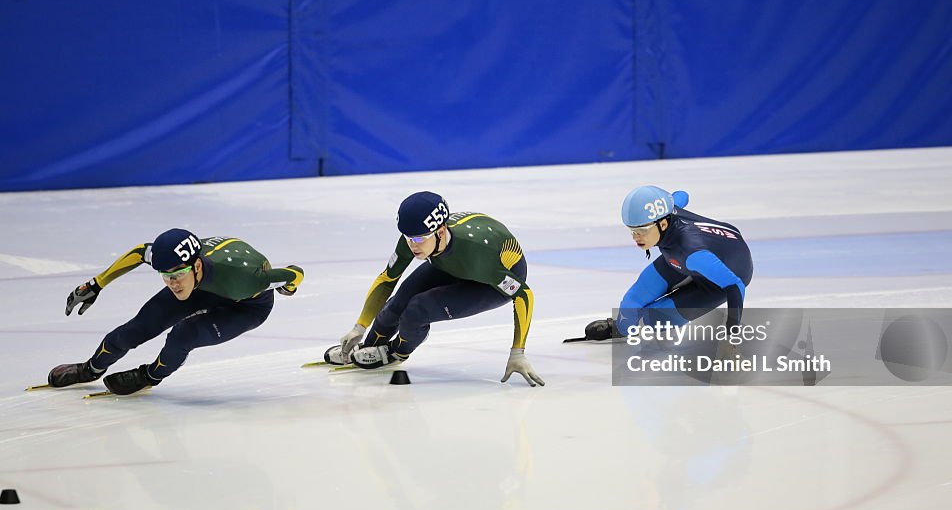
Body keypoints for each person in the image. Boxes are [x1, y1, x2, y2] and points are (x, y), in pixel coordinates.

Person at [325, 191, 544, 387]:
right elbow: (387, 279)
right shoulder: (417, 238)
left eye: (419, 238)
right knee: (398, 302)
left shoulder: (476, 256)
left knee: (417, 310)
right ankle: (370, 346)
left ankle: (396, 353)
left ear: (440, 231)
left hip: (490, 280)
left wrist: (518, 352)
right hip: (453, 262)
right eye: (409, 238)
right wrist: (359, 327)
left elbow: (524, 294)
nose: (413, 245)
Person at [49, 228, 304, 395]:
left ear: (196, 266)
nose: (173, 283)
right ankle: (91, 368)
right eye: (166, 276)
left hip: (245, 306)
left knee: (183, 335)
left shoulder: (244, 279)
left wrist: (289, 288)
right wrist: (96, 284)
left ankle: (150, 376)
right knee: (138, 328)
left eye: (178, 275)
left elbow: (295, 273)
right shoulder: (173, 262)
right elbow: (140, 252)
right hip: (204, 287)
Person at [583, 185, 753, 342]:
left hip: (721, 277)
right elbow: (681, 195)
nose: (636, 237)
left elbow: (735, 285)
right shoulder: (667, 211)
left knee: (654, 318)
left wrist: (732, 336)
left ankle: (638, 325)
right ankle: (623, 328)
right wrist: (623, 325)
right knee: (631, 302)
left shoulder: (692, 252)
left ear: (663, 224)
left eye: (642, 231)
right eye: (632, 230)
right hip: (685, 256)